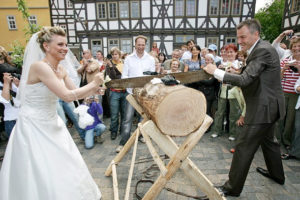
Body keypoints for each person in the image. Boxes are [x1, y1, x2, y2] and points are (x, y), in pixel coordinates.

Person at [0, 26, 103, 199]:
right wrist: (94, 84)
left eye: (66, 44)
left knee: (65, 164)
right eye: (60, 44)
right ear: (46, 46)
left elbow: (75, 91)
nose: (65, 48)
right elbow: (66, 96)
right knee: (40, 169)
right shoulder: (39, 67)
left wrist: (94, 91)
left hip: (53, 123)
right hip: (34, 126)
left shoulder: (61, 70)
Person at [204, 19, 285, 197]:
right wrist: (234, 73)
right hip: (270, 107)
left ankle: (231, 188)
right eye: (238, 37)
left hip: (263, 109)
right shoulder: (259, 48)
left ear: (256, 34)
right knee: (269, 143)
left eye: (243, 37)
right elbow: (252, 75)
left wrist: (215, 72)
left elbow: (245, 81)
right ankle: (277, 175)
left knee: (243, 147)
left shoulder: (262, 50)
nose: (239, 41)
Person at [116, 35, 155, 153]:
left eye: (143, 45)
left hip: (144, 93)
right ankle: (124, 142)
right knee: (127, 118)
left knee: (143, 117)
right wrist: (132, 85)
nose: (141, 47)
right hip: (131, 94)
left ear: (145, 45)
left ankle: (142, 136)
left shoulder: (150, 59)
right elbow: (124, 76)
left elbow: (152, 76)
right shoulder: (128, 59)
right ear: (135, 44)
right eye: (139, 44)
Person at [277, 37, 300, 148]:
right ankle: (277, 139)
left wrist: (298, 68)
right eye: (294, 46)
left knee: (290, 119)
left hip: (295, 94)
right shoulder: (286, 60)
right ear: (291, 48)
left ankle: (286, 141)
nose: (296, 48)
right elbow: (279, 78)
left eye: (299, 46)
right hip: (283, 92)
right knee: (280, 117)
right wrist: (284, 69)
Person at [105, 47, 127, 140]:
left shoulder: (124, 63)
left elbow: (125, 76)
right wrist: (111, 67)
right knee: (114, 114)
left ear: (120, 55)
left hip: (124, 91)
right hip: (114, 92)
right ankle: (113, 131)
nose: (114, 56)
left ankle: (122, 130)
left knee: (124, 113)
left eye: (116, 54)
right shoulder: (108, 65)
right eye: (113, 54)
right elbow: (113, 78)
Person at [282, 71, 300, 160]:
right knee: (297, 129)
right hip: (298, 105)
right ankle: (294, 152)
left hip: (295, 98)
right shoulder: (285, 60)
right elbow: (297, 86)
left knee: (292, 123)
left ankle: (292, 149)